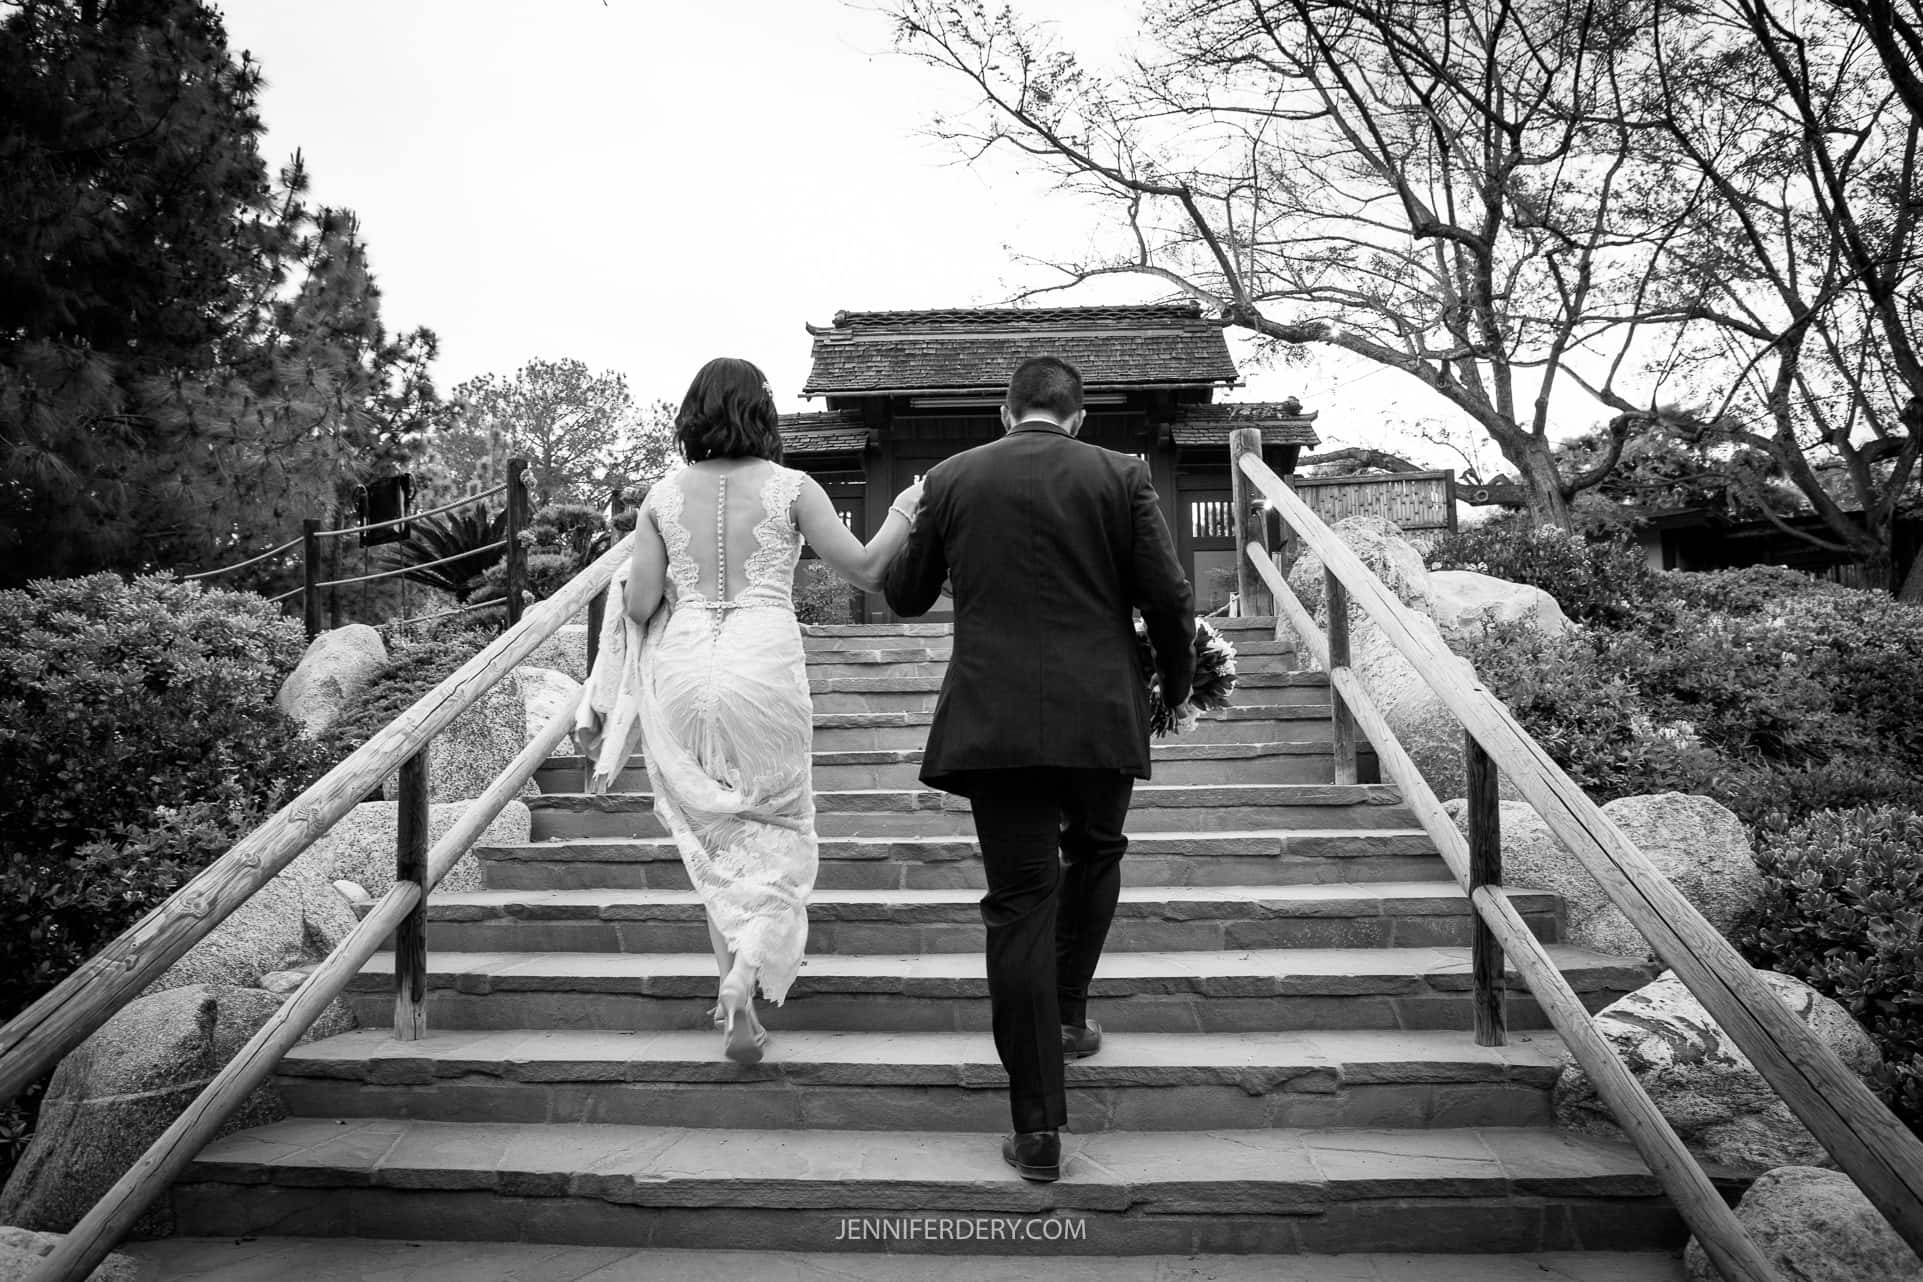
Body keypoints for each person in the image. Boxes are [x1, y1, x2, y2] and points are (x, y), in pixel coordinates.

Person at [882, 354, 1198, 1182]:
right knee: (1096, 851)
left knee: (1019, 902)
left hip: (994, 718)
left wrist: (918, 513)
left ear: (1004, 411)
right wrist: (1173, 686)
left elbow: (905, 597)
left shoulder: (951, 478)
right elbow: (1168, 597)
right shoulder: (1120, 475)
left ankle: (1036, 1130)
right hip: (1100, 711)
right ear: (1078, 415)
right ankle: (1067, 1012)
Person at [585, 356, 921, 1066]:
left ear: (693, 415)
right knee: (779, 828)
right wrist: (904, 509)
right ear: (762, 413)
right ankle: (745, 973)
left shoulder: (660, 496)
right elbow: (866, 568)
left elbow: (639, 604)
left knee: (717, 838)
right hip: (763, 663)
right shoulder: (793, 487)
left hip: (684, 667)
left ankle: (731, 995)